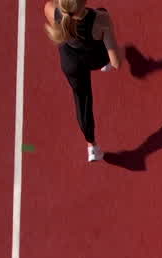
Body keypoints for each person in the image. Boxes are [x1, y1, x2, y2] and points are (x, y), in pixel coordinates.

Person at [43, 0, 121, 162]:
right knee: (102, 11)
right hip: (95, 59)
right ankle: (103, 63)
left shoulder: (51, 9)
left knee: (82, 101)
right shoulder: (101, 19)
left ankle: (92, 147)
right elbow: (117, 63)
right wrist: (120, 53)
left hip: (71, 64)